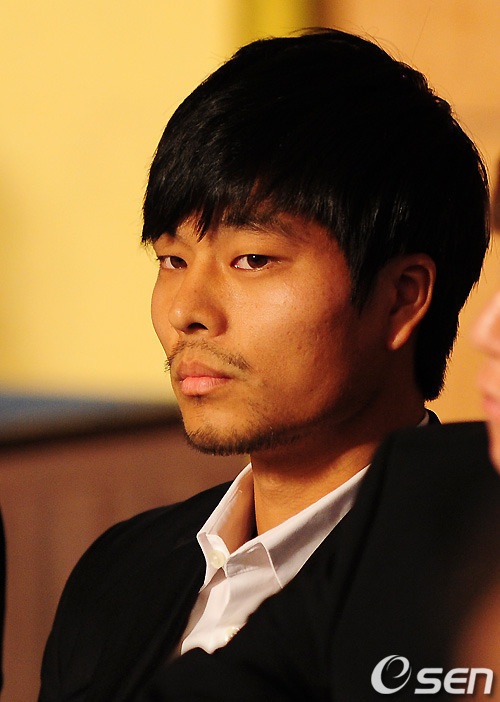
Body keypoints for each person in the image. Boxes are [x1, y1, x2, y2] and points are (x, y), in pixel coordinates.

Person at [38, 29, 490, 701]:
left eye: (252, 259)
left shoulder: (476, 587)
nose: (187, 310)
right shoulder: (120, 572)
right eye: (171, 259)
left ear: (402, 298)